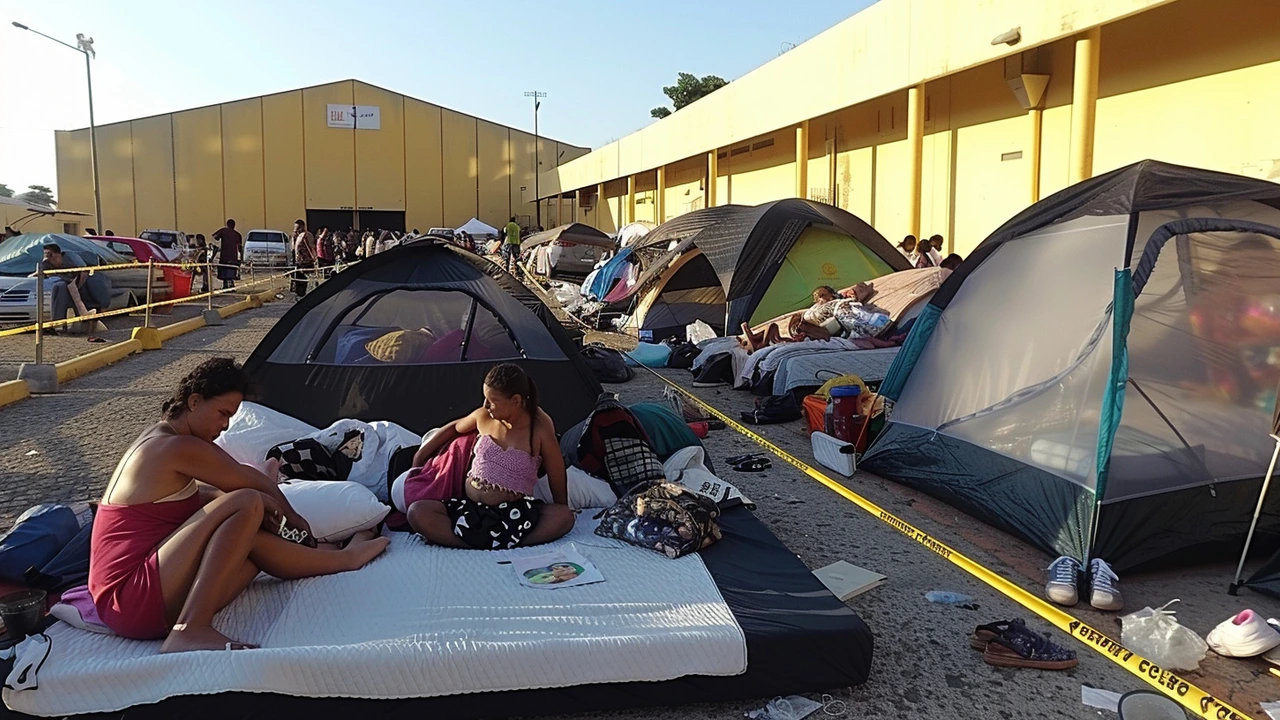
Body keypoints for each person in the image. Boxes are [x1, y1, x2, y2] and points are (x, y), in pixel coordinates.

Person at [88, 358, 389, 652]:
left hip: (137, 601)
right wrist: (293, 517)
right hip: (129, 596)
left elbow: (205, 498)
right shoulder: (175, 446)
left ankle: (344, 559)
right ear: (194, 401)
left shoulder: (163, 439)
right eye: (222, 413)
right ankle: (190, 628)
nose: (225, 425)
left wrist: (271, 511)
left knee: (248, 542)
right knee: (247, 501)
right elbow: (246, 483)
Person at [407, 363, 575, 549]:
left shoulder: (539, 428)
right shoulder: (484, 416)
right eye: (485, 398)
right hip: (469, 511)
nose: (485, 405)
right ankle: (484, 543)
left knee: (564, 517)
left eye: (492, 400)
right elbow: (454, 427)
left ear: (516, 401)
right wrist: (421, 454)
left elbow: (556, 472)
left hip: (513, 516)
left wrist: (562, 505)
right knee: (416, 512)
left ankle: (499, 541)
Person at [33, 243, 107, 329]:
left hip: (82, 282)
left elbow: (84, 272)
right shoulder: (47, 263)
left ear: (58, 254)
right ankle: (59, 324)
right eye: (47, 255)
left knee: (80, 294)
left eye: (51, 255)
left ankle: (87, 316)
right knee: (61, 287)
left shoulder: (70, 259)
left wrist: (78, 286)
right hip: (69, 285)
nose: (50, 258)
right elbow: (37, 274)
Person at [212, 219, 242, 289]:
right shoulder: (237, 235)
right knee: (231, 270)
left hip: (224, 256)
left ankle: (225, 285)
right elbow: (240, 247)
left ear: (227, 224)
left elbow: (215, 237)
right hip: (233, 256)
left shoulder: (224, 231)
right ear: (234, 225)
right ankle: (231, 285)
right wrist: (241, 258)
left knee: (224, 270)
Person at [292, 219, 316, 298]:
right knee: (298, 282)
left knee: (306, 282)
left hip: (306, 262)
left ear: (302, 226)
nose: (295, 229)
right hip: (298, 262)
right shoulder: (296, 236)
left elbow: (311, 247)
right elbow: (293, 249)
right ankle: (299, 294)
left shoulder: (307, 235)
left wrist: (314, 258)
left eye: (297, 227)